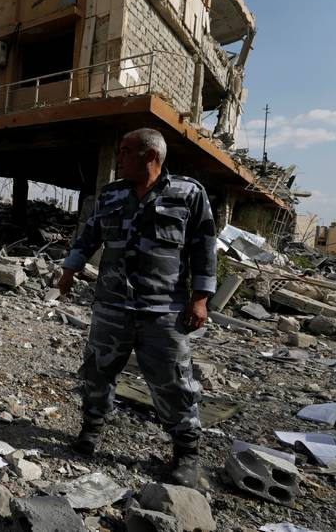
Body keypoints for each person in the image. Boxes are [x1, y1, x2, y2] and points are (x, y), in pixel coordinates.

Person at [57, 128, 217, 489]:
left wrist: (201, 297)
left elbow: (203, 247)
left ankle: (186, 454)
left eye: (125, 151)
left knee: (175, 382)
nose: (119, 158)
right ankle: (91, 430)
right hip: (112, 305)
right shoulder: (112, 194)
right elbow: (90, 234)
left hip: (163, 311)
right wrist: (70, 268)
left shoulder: (188, 194)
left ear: (150, 156)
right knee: (98, 371)